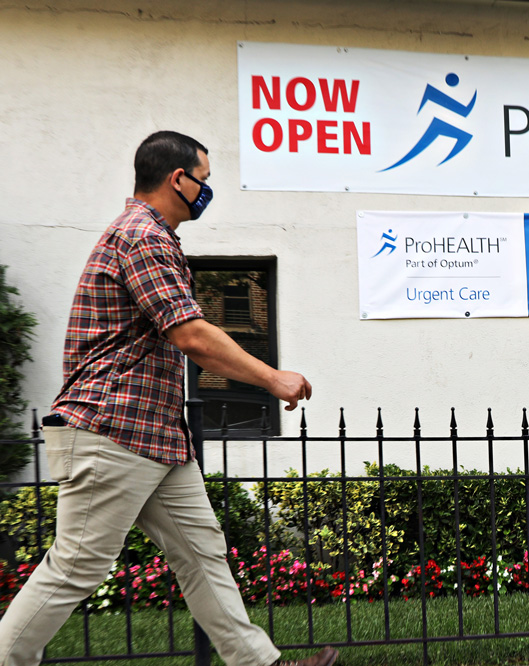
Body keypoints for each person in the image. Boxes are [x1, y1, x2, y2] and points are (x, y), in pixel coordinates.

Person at [0, 131, 337, 666]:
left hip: (153, 435)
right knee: (76, 566)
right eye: (204, 179)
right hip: (110, 428)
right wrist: (272, 379)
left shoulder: (152, 237)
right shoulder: (142, 236)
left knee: (202, 556)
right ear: (177, 179)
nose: (207, 190)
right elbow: (192, 335)